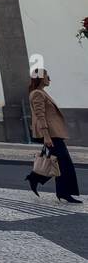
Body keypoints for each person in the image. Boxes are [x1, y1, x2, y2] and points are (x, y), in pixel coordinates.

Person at [25, 69, 80, 203]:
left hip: (54, 133)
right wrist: (46, 136)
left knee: (61, 163)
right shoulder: (37, 94)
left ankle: (37, 179)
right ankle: (63, 192)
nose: (49, 78)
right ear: (40, 78)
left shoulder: (41, 92)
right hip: (50, 134)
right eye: (47, 76)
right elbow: (40, 116)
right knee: (64, 164)